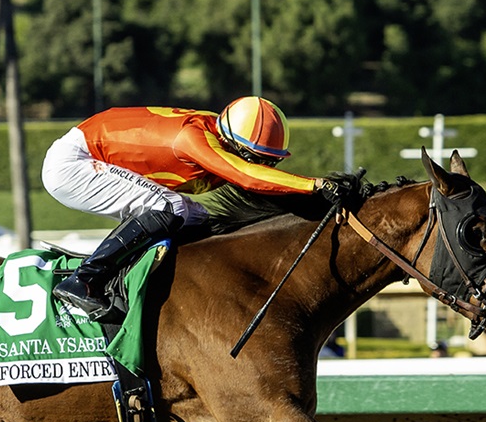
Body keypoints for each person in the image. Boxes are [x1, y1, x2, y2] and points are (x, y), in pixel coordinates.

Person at [41, 97, 361, 320]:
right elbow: (246, 176)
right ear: (235, 145)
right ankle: (85, 280)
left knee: (197, 217)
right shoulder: (193, 139)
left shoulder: (222, 131)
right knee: (169, 207)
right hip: (74, 162)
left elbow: (251, 173)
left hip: (94, 151)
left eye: (271, 161)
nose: (265, 165)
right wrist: (313, 185)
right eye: (260, 158)